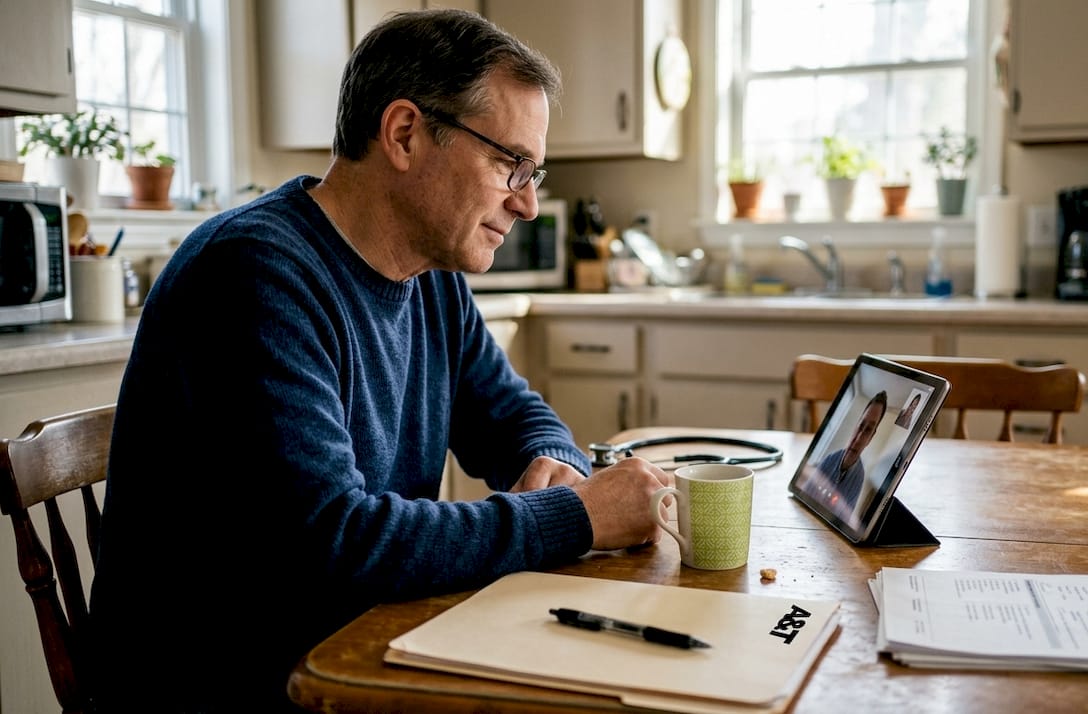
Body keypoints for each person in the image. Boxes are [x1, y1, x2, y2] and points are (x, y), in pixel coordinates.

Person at [88, 9, 672, 710]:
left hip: (361, 643)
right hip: (231, 685)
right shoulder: (255, 273)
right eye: (509, 163)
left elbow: (512, 413)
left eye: (534, 171)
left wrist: (555, 461)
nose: (529, 204)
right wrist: (574, 517)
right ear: (404, 134)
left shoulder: (432, 277)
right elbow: (336, 544)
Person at [805, 391, 889, 522]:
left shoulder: (859, 478)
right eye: (861, 426)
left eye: (868, 430)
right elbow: (805, 495)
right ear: (855, 426)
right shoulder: (830, 458)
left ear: (871, 438)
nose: (859, 438)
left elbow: (841, 521)